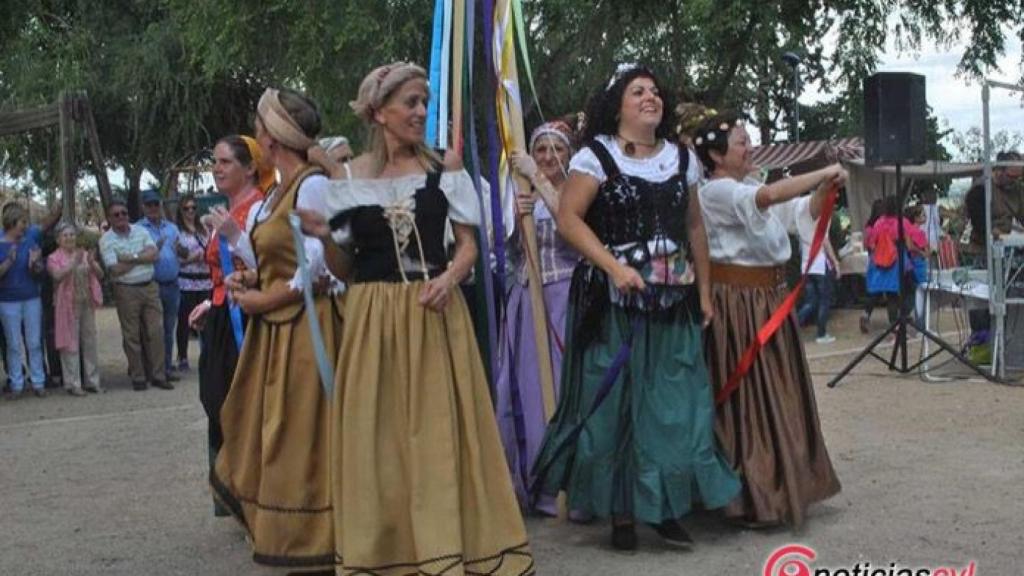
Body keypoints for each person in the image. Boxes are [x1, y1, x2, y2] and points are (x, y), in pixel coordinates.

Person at [305, 61, 533, 573]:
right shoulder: (348, 176)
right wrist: (324, 238)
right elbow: (345, 267)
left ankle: (449, 550)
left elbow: (470, 246)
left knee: (437, 437)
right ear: (379, 112)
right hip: (371, 319)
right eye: (410, 103)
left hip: (433, 314)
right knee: (379, 440)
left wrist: (450, 278)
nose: (420, 112)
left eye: (424, 103)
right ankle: (390, 553)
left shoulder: (443, 168)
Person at [531, 64, 740, 551]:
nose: (650, 97)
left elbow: (694, 228)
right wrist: (612, 267)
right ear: (618, 104)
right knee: (618, 409)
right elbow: (569, 220)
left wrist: (705, 293)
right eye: (637, 91)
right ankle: (623, 512)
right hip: (614, 305)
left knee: (673, 408)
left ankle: (664, 505)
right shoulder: (594, 156)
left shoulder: (681, 159)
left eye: (654, 91)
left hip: (672, 302)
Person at [209, 89, 342, 570]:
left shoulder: (312, 185)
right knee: (254, 422)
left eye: (262, 128)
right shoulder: (278, 190)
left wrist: (268, 296)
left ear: (275, 136)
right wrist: (247, 268)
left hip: (310, 329)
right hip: (277, 331)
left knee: (302, 435)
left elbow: (322, 263)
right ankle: (289, 532)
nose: (259, 136)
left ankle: (318, 539)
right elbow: (277, 256)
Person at [694, 111, 843, 528]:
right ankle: (750, 494)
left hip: (766, 300)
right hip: (739, 306)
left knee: (778, 395)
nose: (749, 149)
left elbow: (796, 211)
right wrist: (819, 174)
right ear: (715, 155)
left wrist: (825, 189)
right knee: (750, 402)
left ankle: (780, 486)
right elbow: (768, 200)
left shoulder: (745, 186)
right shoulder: (716, 191)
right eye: (741, 143)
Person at [493, 119, 580, 515]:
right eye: (540, 149)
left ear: (569, 155)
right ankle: (533, 483)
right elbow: (507, 254)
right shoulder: (520, 193)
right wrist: (514, 219)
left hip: (565, 295)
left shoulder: (576, 192)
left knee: (563, 387)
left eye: (556, 149)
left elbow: (573, 229)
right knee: (522, 388)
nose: (547, 157)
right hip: (526, 297)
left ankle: (570, 489)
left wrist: (540, 187)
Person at [189, 135, 267, 518]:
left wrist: (235, 239)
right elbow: (219, 273)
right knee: (216, 401)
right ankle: (230, 492)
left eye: (225, 162)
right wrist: (209, 303)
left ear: (250, 167)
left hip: (248, 316)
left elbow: (266, 265)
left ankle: (253, 495)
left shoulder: (259, 209)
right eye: (214, 162)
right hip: (224, 315)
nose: (216, 169)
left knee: (241, 404)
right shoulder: (228, 210)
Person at [99, 199, 172, 391]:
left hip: (149, 287)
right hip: (126, 290)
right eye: (116, 214)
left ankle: (158, 375)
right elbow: (115, 270)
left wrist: (128, 257)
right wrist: (141, 257)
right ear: (109, 218)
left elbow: (154, 255)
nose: (121, 217)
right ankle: (138, 376)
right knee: (132, 335)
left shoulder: (140, 231)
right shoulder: (106, 240)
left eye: (124, 213)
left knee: (155, 332)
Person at [46, 222, 104, 395]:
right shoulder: (53, 258)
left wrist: (92, 263)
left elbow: (100, 274)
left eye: (72, 234)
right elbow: (57, 275)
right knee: (70, 344)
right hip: (67, 305)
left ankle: (92, 381)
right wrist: (73, 262)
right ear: (58, 240)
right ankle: (73, 383)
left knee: (90, 341)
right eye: (65, 235)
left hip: (85, 301)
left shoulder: (84, 254)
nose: (69, 238)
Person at [0, 203, 48, 399]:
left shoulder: (30, 242)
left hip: (31, 298)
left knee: (34, 341)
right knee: (12, 344)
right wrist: (9, 261)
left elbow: (39, 272)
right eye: (22, 222)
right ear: (12, 222)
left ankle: (38, 381)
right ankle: (17, 383)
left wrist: (34, 263)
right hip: (7, 300)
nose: (25, 226)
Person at [138, 189, 181, 381]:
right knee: (153, 330)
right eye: (149, 204)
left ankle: (166, 367)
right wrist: (156, 247)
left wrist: (182, 250)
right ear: (143, 207)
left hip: (172, 283)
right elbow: (139, 257)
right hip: (151, 284)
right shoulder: (138, 229)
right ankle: (152, 369)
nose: (153, 208)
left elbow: (182, 253)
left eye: (156, 204)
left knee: (169, 329)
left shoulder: (172, 228)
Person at [865, 195, 927, 327]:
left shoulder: (879, 222)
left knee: (883, 291)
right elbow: (914, 241)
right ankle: (901, 318)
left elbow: (871, 244)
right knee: (911, 289)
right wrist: (924, 250)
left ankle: (868, 315)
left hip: (881, 261)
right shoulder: (902, 222)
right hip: (899, 261)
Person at [173, 194, 211, 372]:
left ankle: (208, 353)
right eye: (186, 208)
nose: (190, 211)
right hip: (186, 281)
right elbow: (178, 258)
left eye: (193, 208)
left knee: (206, 319)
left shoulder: (203, 229)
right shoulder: (177, 232)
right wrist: (191, 259)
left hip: (205, 280)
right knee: (184, 320)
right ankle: (182, 356)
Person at [797, 226, 842, 343]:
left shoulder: (801, 221)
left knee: (810, 302)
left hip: (806, 267)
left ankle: (793, 325)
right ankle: (821, 333)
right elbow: (825, 242)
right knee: (824, 300)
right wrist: (835, 262)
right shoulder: (820, 222)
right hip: (819, 266)